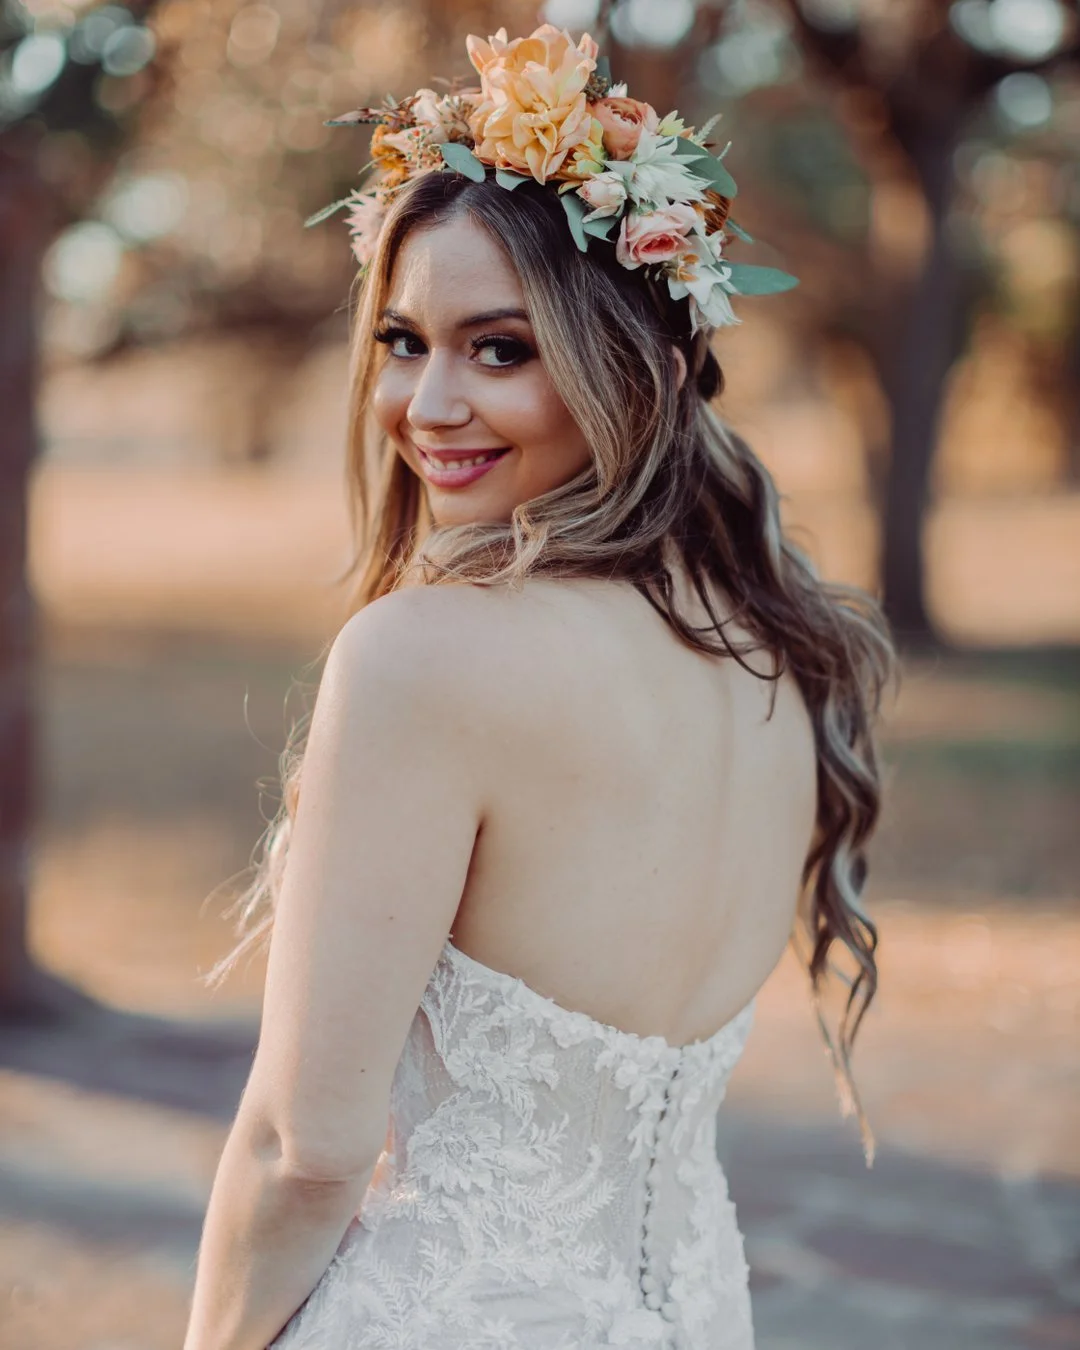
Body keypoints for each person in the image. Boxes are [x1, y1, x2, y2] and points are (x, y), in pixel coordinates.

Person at [182, 23, 895, 1350]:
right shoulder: (778, 659)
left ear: (635, 359)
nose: (426, 403)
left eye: (499, 348)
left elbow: (304, 1149)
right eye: (403, 340)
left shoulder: (424, 658)